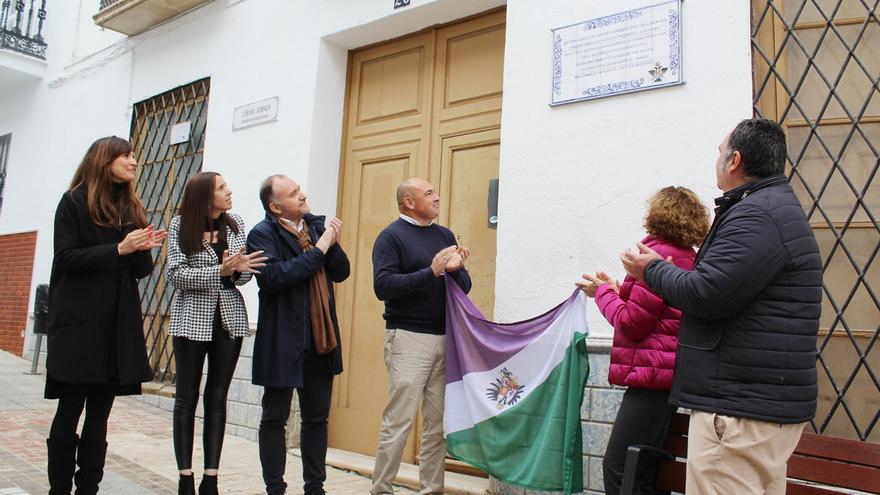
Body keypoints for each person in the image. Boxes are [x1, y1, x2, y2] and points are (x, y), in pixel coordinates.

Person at [620, 118, 822, 495]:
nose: (716, 158)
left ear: (734, 161)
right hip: (753, 403)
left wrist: (651, 271)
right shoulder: (770, 208)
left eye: (719, 151)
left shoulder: (756, 215)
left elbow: (706, 293)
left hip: (739, 410)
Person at [45, 136, 167, 494]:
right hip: (79, 327)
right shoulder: (73, 202)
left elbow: (139, 270)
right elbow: (65, 259)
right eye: (126, 156)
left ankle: (88, 488)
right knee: (70, 411)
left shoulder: (129, 207)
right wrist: (118, 248)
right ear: (104, 159)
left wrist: (142, 248)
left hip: (116, 328)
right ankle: (59, 489)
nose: (133, 162)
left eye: (133, 156)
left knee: (99, 416)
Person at [577, 186, 709, 495]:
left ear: (656, 216)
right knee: (645, 471)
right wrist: (618, 287)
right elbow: (655, 312)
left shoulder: (657, 257)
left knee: (620, 468)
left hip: (652, 379)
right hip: (666, 374)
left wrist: (602, 294)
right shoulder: (685, 257)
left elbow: (632, 323)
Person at [246, 175, 350, 495]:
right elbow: (275, 277)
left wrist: (329, 244)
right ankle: (275, 487)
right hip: (281, 341)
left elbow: (342, 272)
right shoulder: (261, 234)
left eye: (300, 189)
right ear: (276, 206)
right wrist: (319, 250)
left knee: (316, 419)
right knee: (275, 419)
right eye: (294, 193)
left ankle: (315, 487)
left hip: (320, 339)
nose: (303, 195)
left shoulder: (315, 228)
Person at [165, 172, 266, 494]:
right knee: (186, 397)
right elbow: (176, 274)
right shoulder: (181, 225)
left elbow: (243, 275)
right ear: (204, 196)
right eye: (222, 188)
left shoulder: (235, 223)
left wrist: (235, 272)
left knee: (217, 396)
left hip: (229, 319)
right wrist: (218, 271)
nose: (229, 191)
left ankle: (211, 477)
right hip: (190, 319)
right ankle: (185, 476)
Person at [370, 178, 472, 495]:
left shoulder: (444, 235)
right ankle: (382, 489)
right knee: (399, 421)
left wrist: (455, 269)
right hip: (409, 339)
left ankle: (431, 490)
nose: (437, 197)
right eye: (429, 194)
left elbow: (463, 288)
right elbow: (383, 286)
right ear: (409, 202)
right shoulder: (390, 237)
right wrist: (431, 271)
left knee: (437, 425)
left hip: (446, 338)